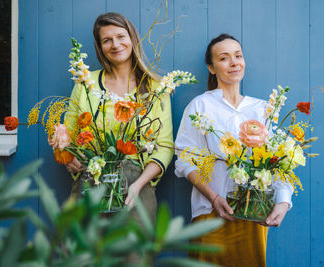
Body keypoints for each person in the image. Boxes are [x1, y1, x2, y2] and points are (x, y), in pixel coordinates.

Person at [174, 34, 293, 267]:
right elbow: (184, 160)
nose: (234, 62)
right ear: (211, 67)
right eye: (224, 58)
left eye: (238, 56)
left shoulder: (263, 109)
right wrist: (214, 197)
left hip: (254, 212)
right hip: (211, 212)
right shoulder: (201, 106)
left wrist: (283, 202)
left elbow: (278, 161)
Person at [64, 12, 174, 223]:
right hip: (89, 184)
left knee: (133, 255)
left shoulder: (156, 88)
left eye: (121, 36)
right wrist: (68, 156)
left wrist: (138, 185)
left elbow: (165, 145)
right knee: (82, 254)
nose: (115, 44)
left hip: (136, 187)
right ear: (100, 47)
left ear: (132, 38)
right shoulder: (85, 83)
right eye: (107, 40)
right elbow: (68, 134)